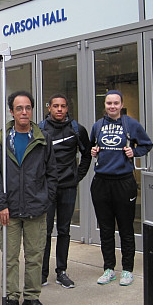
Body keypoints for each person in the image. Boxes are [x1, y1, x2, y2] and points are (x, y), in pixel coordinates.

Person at [0, 91, 57, 305]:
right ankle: (10, 298)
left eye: (28, 108)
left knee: (35, 255)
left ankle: (32, 297)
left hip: (36, 207)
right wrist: (0, 205)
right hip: (10, 209)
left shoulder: (43, 139)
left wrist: (46, 199)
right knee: (10, 256)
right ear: (11, 111)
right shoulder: (2, 139)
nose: (24, 112)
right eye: (19, 108)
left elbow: (52, 174)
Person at [90, 90, 153, 286]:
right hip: (101, 182)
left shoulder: (131, 124)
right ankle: (109, 268)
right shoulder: (98, 125)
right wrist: (94, 151)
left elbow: (147, 144)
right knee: (106, 229)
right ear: (105, 105)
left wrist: (133, 151)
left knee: (126, 228)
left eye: (116, 103)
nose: (112, 106)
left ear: (121, 104)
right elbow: (93, 146)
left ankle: (127, 269)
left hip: (123, 182)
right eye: (109, 103)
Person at [38, 94, 91, 288]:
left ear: (67, 108)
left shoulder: (77, 129)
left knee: (64, 230)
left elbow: (87, 155)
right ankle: (42, 274)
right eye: (55, 106)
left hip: (68, 188)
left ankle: (61, 271)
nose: (59, 109)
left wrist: (77, 177)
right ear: (49, 108)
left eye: (63, 106)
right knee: (45, 232)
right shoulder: (40, 129)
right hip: (47, 189)